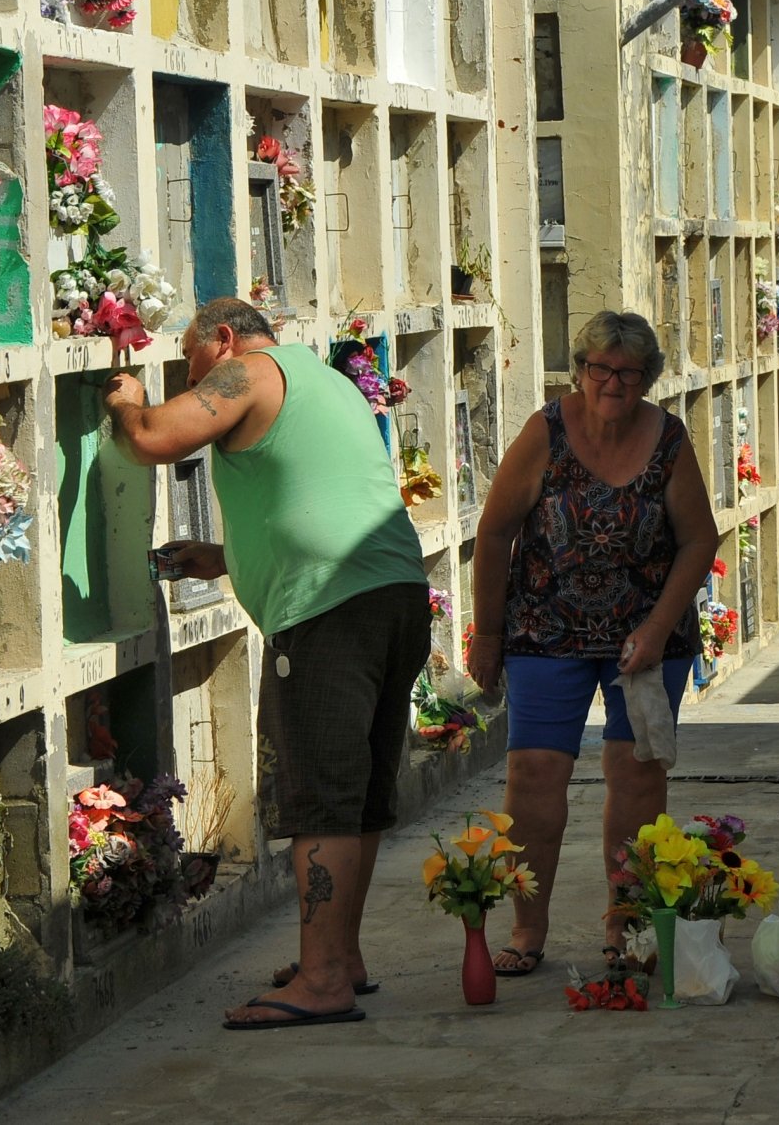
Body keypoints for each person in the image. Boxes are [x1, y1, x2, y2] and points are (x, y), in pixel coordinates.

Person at [101, 297, 428, 1026]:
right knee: (362, 795)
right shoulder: (325, 380)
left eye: (188, 358)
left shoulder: (247, 372)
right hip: (393, 596)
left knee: (319, 794)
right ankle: (339, 959)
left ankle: (320, 983)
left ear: (222, 339)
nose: (189, 375)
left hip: (329, 614)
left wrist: (127, 403)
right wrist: (224, 559)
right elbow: (312, 496)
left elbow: (154, 438)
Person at [468, 311, 714, 976]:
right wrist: (486, 633)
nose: (612, 382)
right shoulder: (545, 433)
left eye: (628, 372)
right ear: (579, 369)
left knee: (636, 776)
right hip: (546, 631)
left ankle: (625, 925)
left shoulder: (667, 439)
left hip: (645, 637)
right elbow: (494, 534)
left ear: (646, 379)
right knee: (534, 775)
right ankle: (528, 927)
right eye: (599, 368)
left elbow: (699, 539)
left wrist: (658, 628)